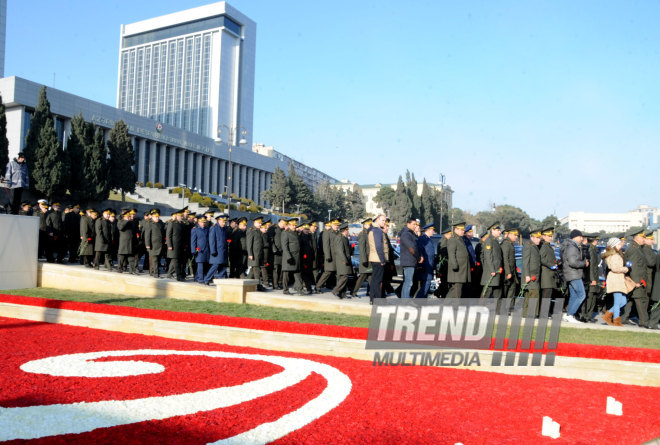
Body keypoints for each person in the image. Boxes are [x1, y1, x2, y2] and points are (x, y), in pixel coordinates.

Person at [620, 228, 649, 327]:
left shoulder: (636, 247)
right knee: (639, 299)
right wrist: (635, 282)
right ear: (637, 238)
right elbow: (634, 266)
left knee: (631, 300)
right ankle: (644, 322)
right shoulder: (634, 248)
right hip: (636, 279)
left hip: (638, 278)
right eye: (642, 238)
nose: (644, 240)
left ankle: (623, 318)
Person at [561, 229, 590, 323]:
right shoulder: (572, 247)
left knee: (574, 295)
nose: (582, 238)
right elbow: (573, 262)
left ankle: (569, 315)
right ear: (576, 237)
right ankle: (570, 314)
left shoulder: (574, 246)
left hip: (573, 273)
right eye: (581, 236)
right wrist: (583, 264)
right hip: (573, 274)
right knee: (581, 294)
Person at [601, 237, 629, 326]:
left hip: (618, 279)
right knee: (617, 302)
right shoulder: (614, 256)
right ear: (613, 246)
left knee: (623, 301)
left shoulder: (616, 254)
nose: (620, 246)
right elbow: (614, 268)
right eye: (618, 244)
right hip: (615, 279)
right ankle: (616, 320)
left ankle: (607, 315)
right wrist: (625, 269)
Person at [480, 223, 504, 308]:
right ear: (492, 230)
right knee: (487, 292)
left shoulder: (494, 240)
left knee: (497, 292)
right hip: (492, 272)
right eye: (497, 230)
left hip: (497, 271)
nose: (499, 232)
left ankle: (498, 311)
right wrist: (492, 270)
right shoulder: (489, 240)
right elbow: (488, 257)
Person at [368, 214, 389, 304]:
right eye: (382, 220)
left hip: (374, 257)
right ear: (377, 220)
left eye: (384, 221)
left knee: (374, 279)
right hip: (378, 258)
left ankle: (372, 299)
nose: (384, 222)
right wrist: (382, 260)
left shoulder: (372, 229)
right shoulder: (377, 231)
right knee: (377, 280)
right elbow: (378, 246)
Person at [580, 233, 601, 322]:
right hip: (591, 278)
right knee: (590, 297)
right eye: (596, 240)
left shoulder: (593, 249)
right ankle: (587, 315)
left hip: (594, 277)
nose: (597, 241)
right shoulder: (591, 250)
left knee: (592, 297)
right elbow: (591, 267)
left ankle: (589, 315)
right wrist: (593, 279)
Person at [282, 218, 305, 295]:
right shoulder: (285, 233)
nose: (294, 227)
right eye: (293, 225)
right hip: (289, 256)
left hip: (296, 256)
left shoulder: (296, 233)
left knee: (297, 273)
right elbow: (284, 246)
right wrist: (288, 257)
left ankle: (299, 289)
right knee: (286, 274)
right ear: (288, 225)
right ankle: (285, 290)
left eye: (295, 225)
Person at [539, 226, 560, 315]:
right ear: (543, 236)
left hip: (550, 275)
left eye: (551, 236)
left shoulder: (549, 246)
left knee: (549, 295)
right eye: (548, 236)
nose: (550, 238)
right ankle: (543, 313)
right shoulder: (544, 246)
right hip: (546, 275)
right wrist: (552, 266)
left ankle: (545, 312)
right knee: (546, 295)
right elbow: (542, 259)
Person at [446, 221, 470, 298]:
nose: (463, 231)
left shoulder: (460, 239)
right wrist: (455, 265)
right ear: (456, 230)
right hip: (457, 270)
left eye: (463, 229)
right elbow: (451, 254)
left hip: (461, 270)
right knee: (457, 291)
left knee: (455, 290)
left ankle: (445, 306)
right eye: (461, 229)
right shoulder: (453, 239)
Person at [522, 227, 542, 317]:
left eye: (539, 237)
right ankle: (530, 314)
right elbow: (525, 261)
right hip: (530, 276)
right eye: (537, 238)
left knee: (531, 296)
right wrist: (526, 275)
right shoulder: (528, 245)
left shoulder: (535, 246)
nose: (539, 239)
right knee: (533, 295)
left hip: (535, 276)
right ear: (532, 237)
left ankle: (528, 314)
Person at [204, 213, 229, 284]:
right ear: (218, 221)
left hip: (223, 251)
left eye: (225, 222)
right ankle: (207, 279)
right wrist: (213, 251)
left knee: (223, 266)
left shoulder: (224, 229)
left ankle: (221, 280)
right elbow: (211, 240)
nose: (224, 223)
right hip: (217, 251)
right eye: (223, 222)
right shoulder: (214, 228)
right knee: (215, 265)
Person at [400, 218, 421, 299]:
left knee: (408, 282)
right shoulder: (406, 234)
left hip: (410, 261)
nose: (415, 226)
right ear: (408, 224)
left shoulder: (410, 233)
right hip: (408, 261)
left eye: (416, 224)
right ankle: (405, 300)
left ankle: (405, 299)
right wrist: (418, 258)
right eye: (413, 224)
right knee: (408, 283)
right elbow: (411, 248)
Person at [316, 219, 340, 291]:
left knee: (336, 272)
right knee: (327, 272)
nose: (337, 226)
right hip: (331, 256)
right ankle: (318, 287)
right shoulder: (327, 233)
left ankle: (336, 287)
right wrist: (328, 256)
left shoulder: (337, 233)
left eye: (338, 225)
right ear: (331, 225)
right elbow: (326, 246)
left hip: (337, 256)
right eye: (335, 225)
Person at [352, 218, 372, 298]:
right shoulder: (362, 234)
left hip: (370, 259)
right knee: (362, 277)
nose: (370, 226)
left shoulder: (369, 233)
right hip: (365, 259)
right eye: (369, 225)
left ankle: (370, 292)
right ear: (365, 225)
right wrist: (364, 260)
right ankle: (354, 291)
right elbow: (362, 248)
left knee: (371, 277)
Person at [331, 222, 352, 299]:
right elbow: (339, 251)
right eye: (347, 230)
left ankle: (342, 294)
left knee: (342, 277)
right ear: (344, 230)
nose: (348, 231)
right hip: (342, 260)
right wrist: (344, 260)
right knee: (344, 276)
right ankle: (336, 290)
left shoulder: (344, 238)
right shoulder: (339, 238)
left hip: (345, 259)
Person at [247, 216, 267, 291]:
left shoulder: (259, 231)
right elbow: (249, 244)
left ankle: (246, 283)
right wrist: (250, 254)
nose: (260, 224)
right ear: (254, 223)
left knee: (253, 270)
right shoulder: (251, 231)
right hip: (254, 254)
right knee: (256, 270)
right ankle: (258, 286)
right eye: (259, 223)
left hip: (259, 254)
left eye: (260, 223)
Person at [416, 223, 436, 298]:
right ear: (428, 230)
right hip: (425, 264)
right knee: (427, 281)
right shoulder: (422, 239)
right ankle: (418, 300)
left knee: (427, 282)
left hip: (429, 264)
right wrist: (421, 264)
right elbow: (420, 251)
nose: (433, 231)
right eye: (433, 230)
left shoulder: (429, 239)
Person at [166, 209, 186, 281]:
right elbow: (168, 235)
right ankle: (178, 275)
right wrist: (169, 245)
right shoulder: (172, 223)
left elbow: (184, 236)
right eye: (181, 216)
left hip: (180, 246)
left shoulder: (183, 224)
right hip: (174, 246)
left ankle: (172, 274)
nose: (182, 217)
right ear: (177, 216)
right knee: (176, 261)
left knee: (180, 261)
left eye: (182, 216)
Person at [501, 226, 520, 302]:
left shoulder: (511, 244)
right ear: (510, 235)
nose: (516, 237)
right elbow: (505, 259)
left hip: (512, 273)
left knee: (511, 292)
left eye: (517, 235)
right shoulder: (506, 244)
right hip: (507, 273)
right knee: (505, 292)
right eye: (515, 235)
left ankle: (509, 308)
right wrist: (508, 272)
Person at [144, 209, 165, 277]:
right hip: (153, 244)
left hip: (159, 244)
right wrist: (147, 245)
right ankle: (156, 273)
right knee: (154, 259)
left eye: (158, 217)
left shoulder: (160, 224)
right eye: (156, 217)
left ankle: (152, 271)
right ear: (152, 217)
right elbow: (147, 235)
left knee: (157, 259)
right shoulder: (150, 224)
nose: (157, 218)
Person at [117, 208, 137, 274]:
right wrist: (126, 220)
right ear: (125, 216)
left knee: (131, 257)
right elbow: (120, 228)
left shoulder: (132, 223)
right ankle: (120, 269)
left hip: (130, 242)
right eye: (128, 216)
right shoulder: (120, 221)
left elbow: (133, 233)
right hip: (123, 242)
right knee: (122, 257)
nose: (130, 217)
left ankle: (132, 270)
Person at [435, 227, 452, 298]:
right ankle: (442, 294)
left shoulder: (445, 240)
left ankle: (439, 292)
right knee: (444, 282)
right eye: (451, 234)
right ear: (447, 234)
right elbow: (444, 256)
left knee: (445, 282)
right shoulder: (444, 242)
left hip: (445, 265)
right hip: (444, 265)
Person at [271, 218, 285, 289]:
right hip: (276, 252)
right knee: (276, 269)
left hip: (282, 252)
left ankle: (279, 283)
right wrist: (274, 249)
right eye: (282, 223)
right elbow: (271, 239)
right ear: (279, 222)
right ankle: (275, 284)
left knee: (281, 269)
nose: (283, 224)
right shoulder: (274, 228)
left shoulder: (284, 230)